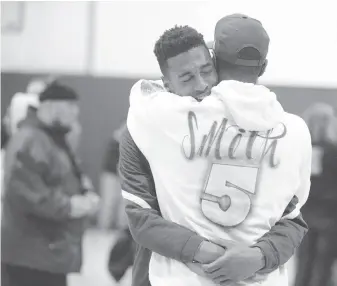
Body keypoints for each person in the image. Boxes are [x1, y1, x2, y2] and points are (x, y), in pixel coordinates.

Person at [120, 20, 309, 286]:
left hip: (176, 273)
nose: (201, 85)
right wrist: (250, 258)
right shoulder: (286, 128)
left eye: (207, 70)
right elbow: (292, 220)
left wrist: (219, 255)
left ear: (216, 63)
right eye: (187, 77)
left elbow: (140, 218)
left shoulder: (146, 118)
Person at [1, 82, 100, 286]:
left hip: (48, 254)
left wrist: (86, 192)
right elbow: (26, 194)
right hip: (29, 257)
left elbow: (70, 176)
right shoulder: (29, 141)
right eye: (71, 109)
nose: (75, 116)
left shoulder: (53, 139)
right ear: (52, 107)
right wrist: (71, 206)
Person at [295, 103, 337, 286]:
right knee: (324, 263)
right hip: (330, 214)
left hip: (303, 212)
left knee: (304, 262)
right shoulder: (334, 151)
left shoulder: (299, 150)